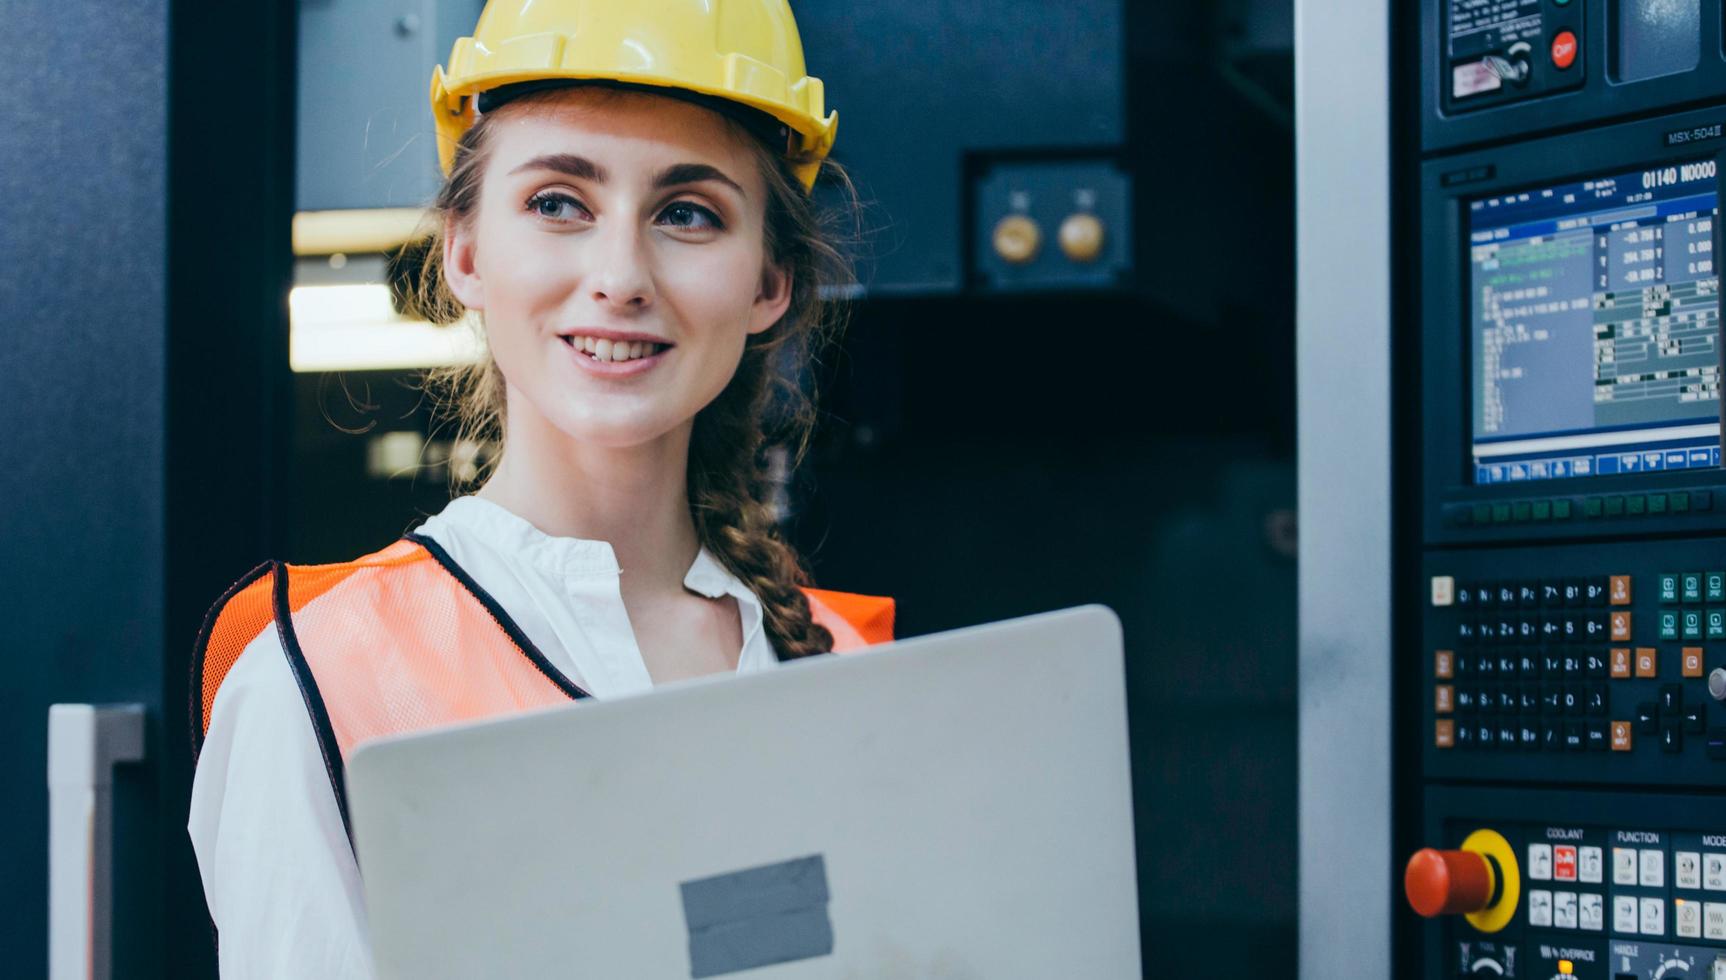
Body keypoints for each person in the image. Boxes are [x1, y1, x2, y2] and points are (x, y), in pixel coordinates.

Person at [186, 1, 893, 975]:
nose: (620, 275)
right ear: (465, 251)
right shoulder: (321, 674)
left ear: (768, 282)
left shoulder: (851, 669)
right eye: (559, 201)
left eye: (687, 212)